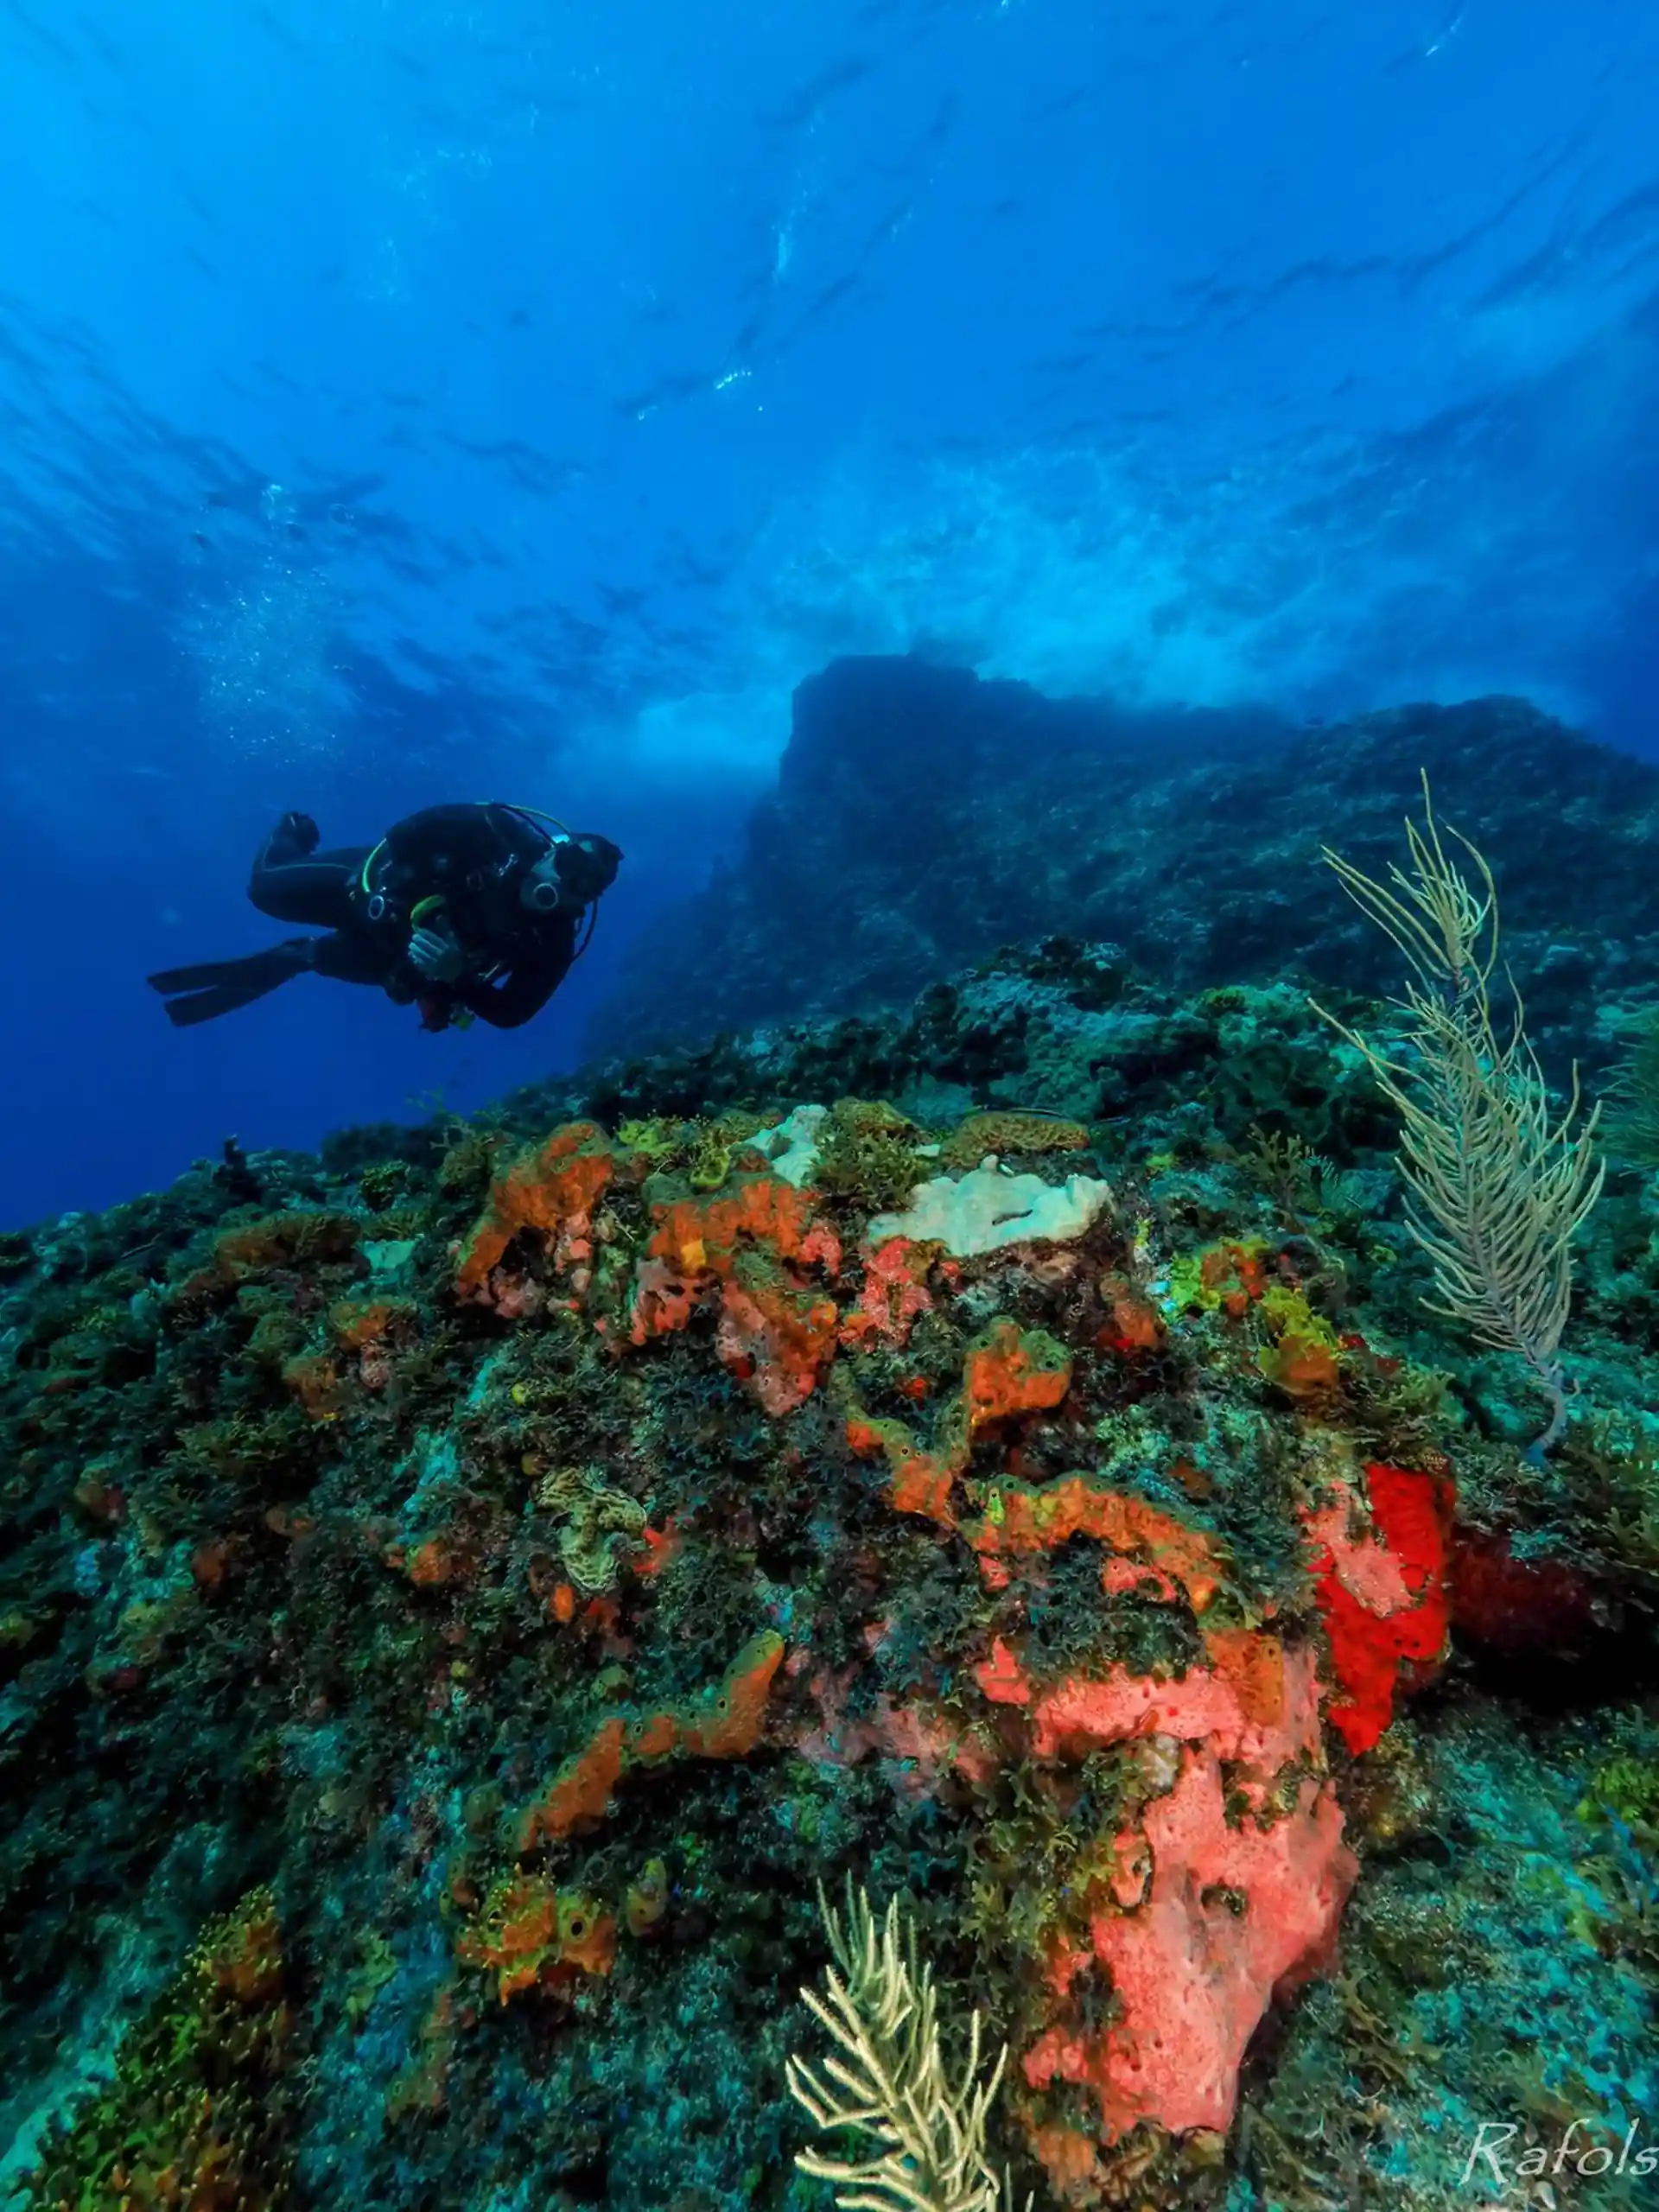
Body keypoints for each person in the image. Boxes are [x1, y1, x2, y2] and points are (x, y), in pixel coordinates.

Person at [149, 803, 621, 1032]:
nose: (564, 887)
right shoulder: (500, 835)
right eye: (568, 870)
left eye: (585, 886)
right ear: (549, 853)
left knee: (312, 958)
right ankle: (292, 833)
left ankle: (292, 958)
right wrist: (394, 894)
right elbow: (410, 831)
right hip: (368, 888)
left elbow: (513, 1012)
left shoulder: (552, 940)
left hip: (405, 954)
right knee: (263, 890)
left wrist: (458, 979)